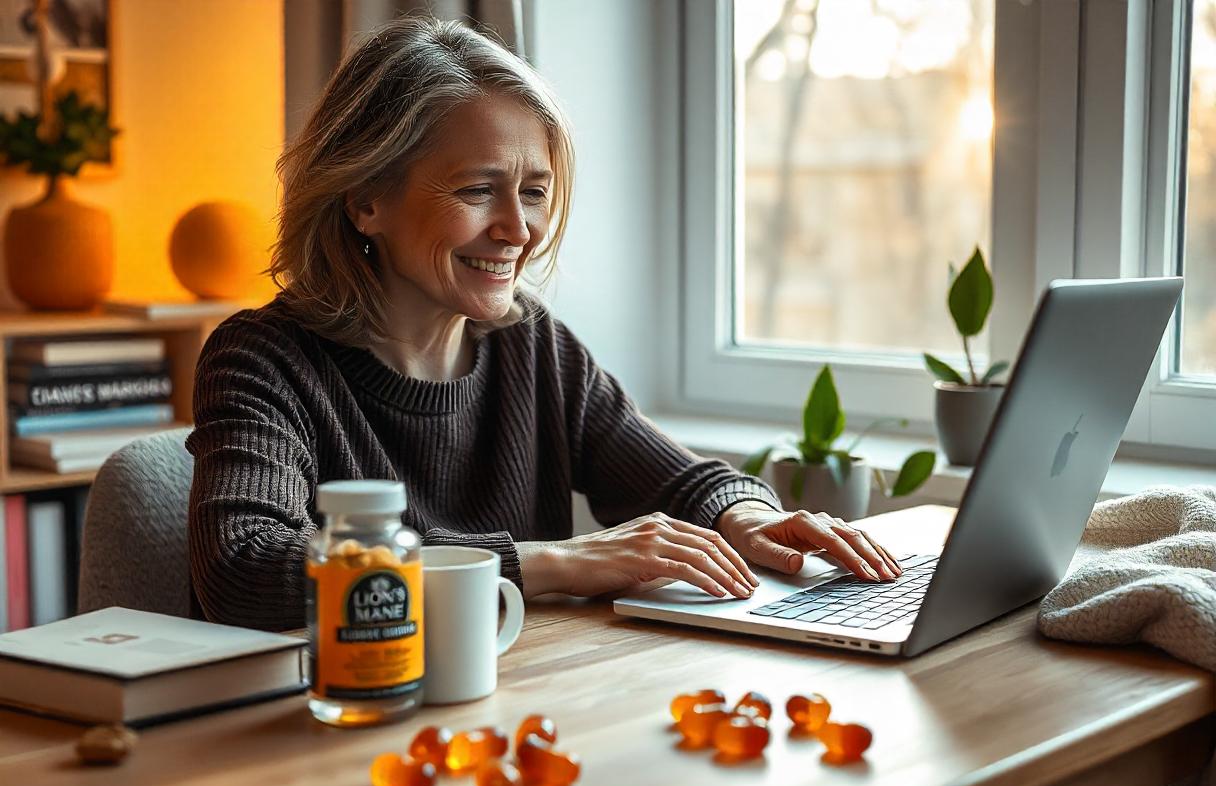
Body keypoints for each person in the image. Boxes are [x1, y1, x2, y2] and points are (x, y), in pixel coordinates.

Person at [186, 16, 901, 632]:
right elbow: (245, 567)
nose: (519, 231)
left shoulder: (533, 346)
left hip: (516, 703)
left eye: (533, 193)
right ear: (366, 198)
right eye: (477, 190)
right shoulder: (261, 360)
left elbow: (680, 482)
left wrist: (745, 517)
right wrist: (547, 562)